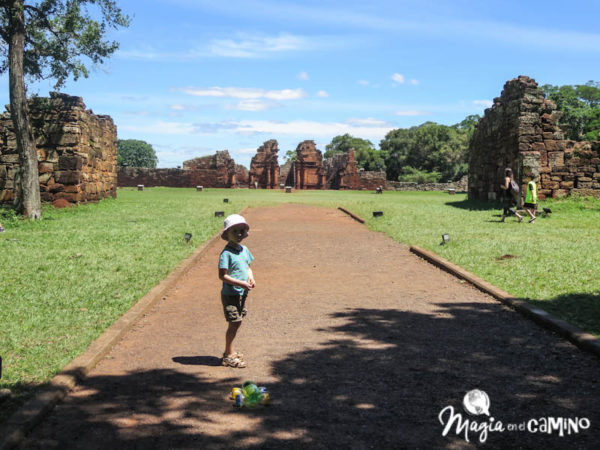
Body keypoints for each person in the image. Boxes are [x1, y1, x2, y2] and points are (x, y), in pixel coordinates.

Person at [218, 214, 255, 368]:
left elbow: (247, 267)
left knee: (237, 322)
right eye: (235, 231)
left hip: (242, 293)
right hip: (231, 293)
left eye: (242, 231)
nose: (239, 234)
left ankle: (230, 351)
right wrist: (241, 283)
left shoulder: (244, 249)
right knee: (235, 322)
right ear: (227, 234)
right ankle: (228, 355)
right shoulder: (226, 254)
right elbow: (223, 276)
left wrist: (251, 277)